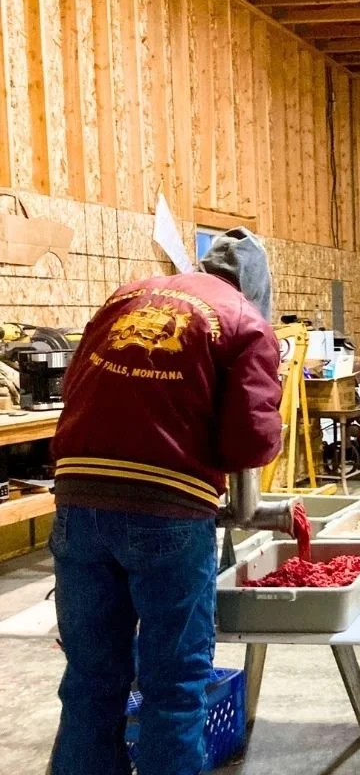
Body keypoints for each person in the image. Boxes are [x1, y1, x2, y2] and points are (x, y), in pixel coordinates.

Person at [49, 229, 283, 775]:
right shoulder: (245, 321)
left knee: (89, 680)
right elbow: (249, 440)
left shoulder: (125, 297)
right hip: (167, 511)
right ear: (255, 288)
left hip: (77, 500)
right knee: (174, 684)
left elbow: (74, 388)